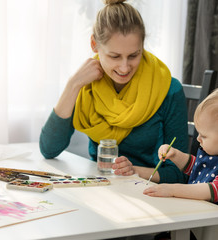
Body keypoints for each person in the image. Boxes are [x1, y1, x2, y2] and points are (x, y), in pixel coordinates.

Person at [39, 0, 189, 184]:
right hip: (101, 189)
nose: (124, 67)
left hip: (149, 192)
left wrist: (134, 171)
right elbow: (49, 149)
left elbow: (179, 174)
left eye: (134, 55)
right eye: (114, 56)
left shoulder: (169, 90)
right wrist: (73, 85)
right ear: (94, 44)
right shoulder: (88, 86)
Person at [144, 84, 218, 212]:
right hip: (209, 217)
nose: (198, 138)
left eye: (204, 136)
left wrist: (172, 190)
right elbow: (196, 167)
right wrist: (174, 155)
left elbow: (213, 190)